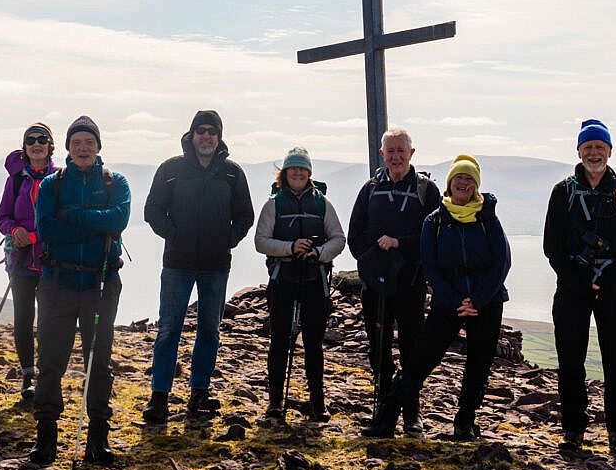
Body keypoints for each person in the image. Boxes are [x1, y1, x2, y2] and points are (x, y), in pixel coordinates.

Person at [362, 154, 510, 440]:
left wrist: (476, 300)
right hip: (448, 301)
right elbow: (430, 265)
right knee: (419, 361)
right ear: (449, 183)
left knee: (478, 365)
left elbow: (502, 262)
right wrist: (456, 300)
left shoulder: (488, 217)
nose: (463, 183)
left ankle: (465, 422)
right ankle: (387, 419)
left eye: (469, 178)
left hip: (486, 302)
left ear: (476, 185)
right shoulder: (436, 220)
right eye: (458, 177)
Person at [141, 110, 255, 423]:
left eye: (212, 132)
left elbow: (246, 214)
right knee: (168, 329)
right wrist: (173, 235)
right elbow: (152, 209)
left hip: (216, 264)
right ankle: (159, 398)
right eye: (201, 131)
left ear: (219, 138)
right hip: (177, 262)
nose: (206, 137)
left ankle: (199, 393)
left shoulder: (232, 173)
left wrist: (228, 238)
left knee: (209, 330)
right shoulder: (171, 169)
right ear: (191, 135)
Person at [29, 116, 130, 466]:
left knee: (99, 362)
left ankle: (97, 440)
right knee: (50, 362)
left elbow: (118, 220)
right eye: (77, 143)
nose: (83, 148)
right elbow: (46, 229)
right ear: (69, 148)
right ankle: (46, 438)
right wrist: (92, 224)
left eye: (89, 142)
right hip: (59, 282)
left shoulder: (116, 182)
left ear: (98, 146)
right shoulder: (51, 186)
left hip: (101, 284)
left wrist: (73, 216)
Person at [543, 119, 616, 455]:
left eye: (600, 147)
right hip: (572, 289)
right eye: (588, 148)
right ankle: (572, 430)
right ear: (579, 152)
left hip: (614, 289)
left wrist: (606, 280)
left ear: (610, 151)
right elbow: (552, 247)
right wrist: (581, 280)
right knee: (570, 361)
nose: (594, 153)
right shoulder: (562, 191)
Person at [348, 128, 441, 434]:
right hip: (375, 286)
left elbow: (433, 238)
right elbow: (355, 235)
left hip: (410, 283)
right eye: (391, 151)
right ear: (382, 154)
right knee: (378, 348)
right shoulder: (370, 189)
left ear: (412, 153)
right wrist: (370, 262)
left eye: (401, 150)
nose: (396, 156)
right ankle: (384, 411)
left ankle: (412, 412)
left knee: (412, 349)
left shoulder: (426, 190)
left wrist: (400, 244)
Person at [254, 147, 346, 422]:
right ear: (284, 173)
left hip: (313, 280)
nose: (298, 172)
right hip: (283, 279)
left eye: (302, 169)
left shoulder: (322, 204)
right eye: (293, 168)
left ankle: (318, 402)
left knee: (313, 343)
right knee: (279, 341)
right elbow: (261, 241)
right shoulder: (273, 204)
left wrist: (318, 253)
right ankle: (275, 403)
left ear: (309, 173)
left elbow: (338, 239)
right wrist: (291, 247)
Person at [0, 123, 56, 402]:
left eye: (42, 139)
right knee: (22, 319)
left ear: (50, 145)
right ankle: (28, 376)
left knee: (48, 321)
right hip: (20, 262)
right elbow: (2, 217)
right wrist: (13, 230)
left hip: (51, 261)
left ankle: (47, 375)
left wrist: (31, 235)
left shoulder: (60, 179)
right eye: (31, 140)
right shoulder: (16, 180)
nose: (36, 143)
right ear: (24, 147)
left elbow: (61, 220)